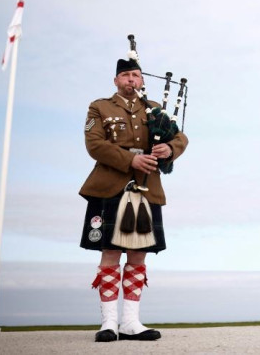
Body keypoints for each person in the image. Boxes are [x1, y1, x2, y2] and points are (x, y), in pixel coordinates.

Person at [79, 57, 188, 342]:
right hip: (111, 186)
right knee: (110, 252)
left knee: (139, 254)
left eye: (136, 75)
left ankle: (130, 322)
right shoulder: (99, 106)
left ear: (142, 80)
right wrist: (131, 160)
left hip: (147, 187)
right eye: (126, 75)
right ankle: (109, 323)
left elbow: (181, 138)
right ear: (116, 80)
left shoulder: (155, 110)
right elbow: (95, 144)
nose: (131, 80)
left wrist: (169, 149)